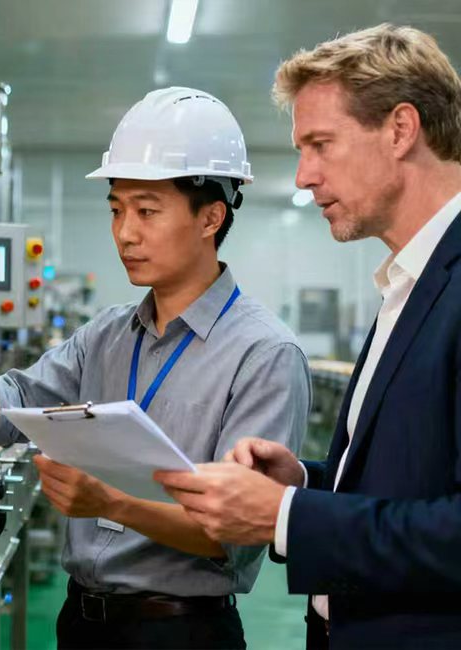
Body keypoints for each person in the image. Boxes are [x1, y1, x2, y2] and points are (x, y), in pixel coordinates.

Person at [0, 87, 310, 649]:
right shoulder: (108, 336)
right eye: (116, 210)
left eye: (147, 211)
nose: (125, 232)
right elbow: (7, 407)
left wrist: (110, 503)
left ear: (211, 216)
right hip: (83, 622)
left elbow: (233, 533)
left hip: (181, 631)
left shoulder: (263, 354)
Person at [156, 24, 461, 649]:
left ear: (401, 130)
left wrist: (286, 517)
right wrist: (304, 482)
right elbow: (413, 482)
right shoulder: (411, 280)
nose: (302, 175)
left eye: (321, 144)